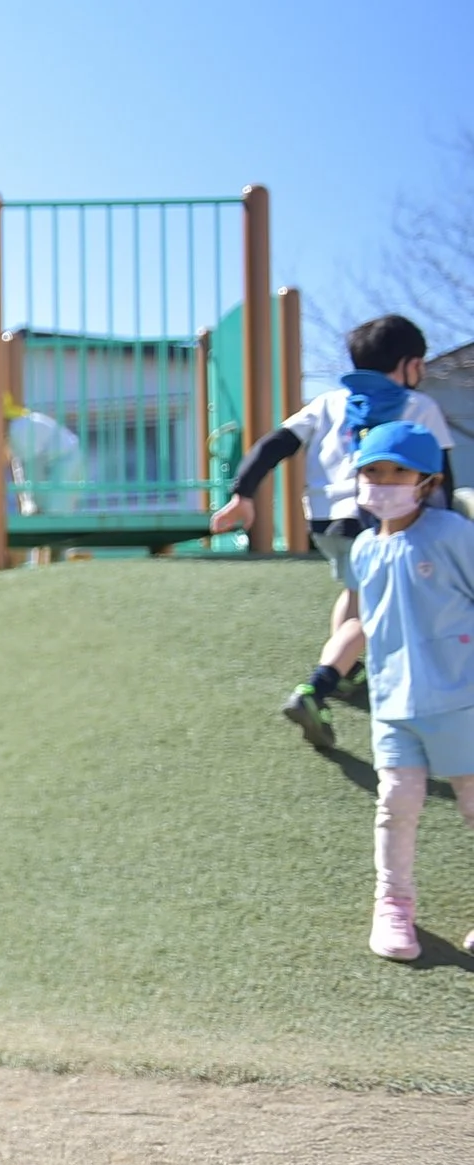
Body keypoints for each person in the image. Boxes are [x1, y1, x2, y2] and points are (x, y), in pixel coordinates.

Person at [211, 315, 452, 751]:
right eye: (420, 363)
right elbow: (441, 475)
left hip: (325, 520)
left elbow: (274, 443)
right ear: (407, 363)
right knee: (372, 613)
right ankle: (317, 687)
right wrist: (445, 527)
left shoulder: (329, 402)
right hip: (381, 519)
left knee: (353, 590)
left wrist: (242, 493)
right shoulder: (419, 407)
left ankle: (346, 668)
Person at [343, 421, 474, 961]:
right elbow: (363, 617)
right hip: (393, 705)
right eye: (373, 470)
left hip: (462, 698)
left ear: (427, 481)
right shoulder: (364, 549)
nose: (384, 481)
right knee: (396, 803)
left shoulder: (451, 534)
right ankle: (392, 906)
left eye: (399, 471)